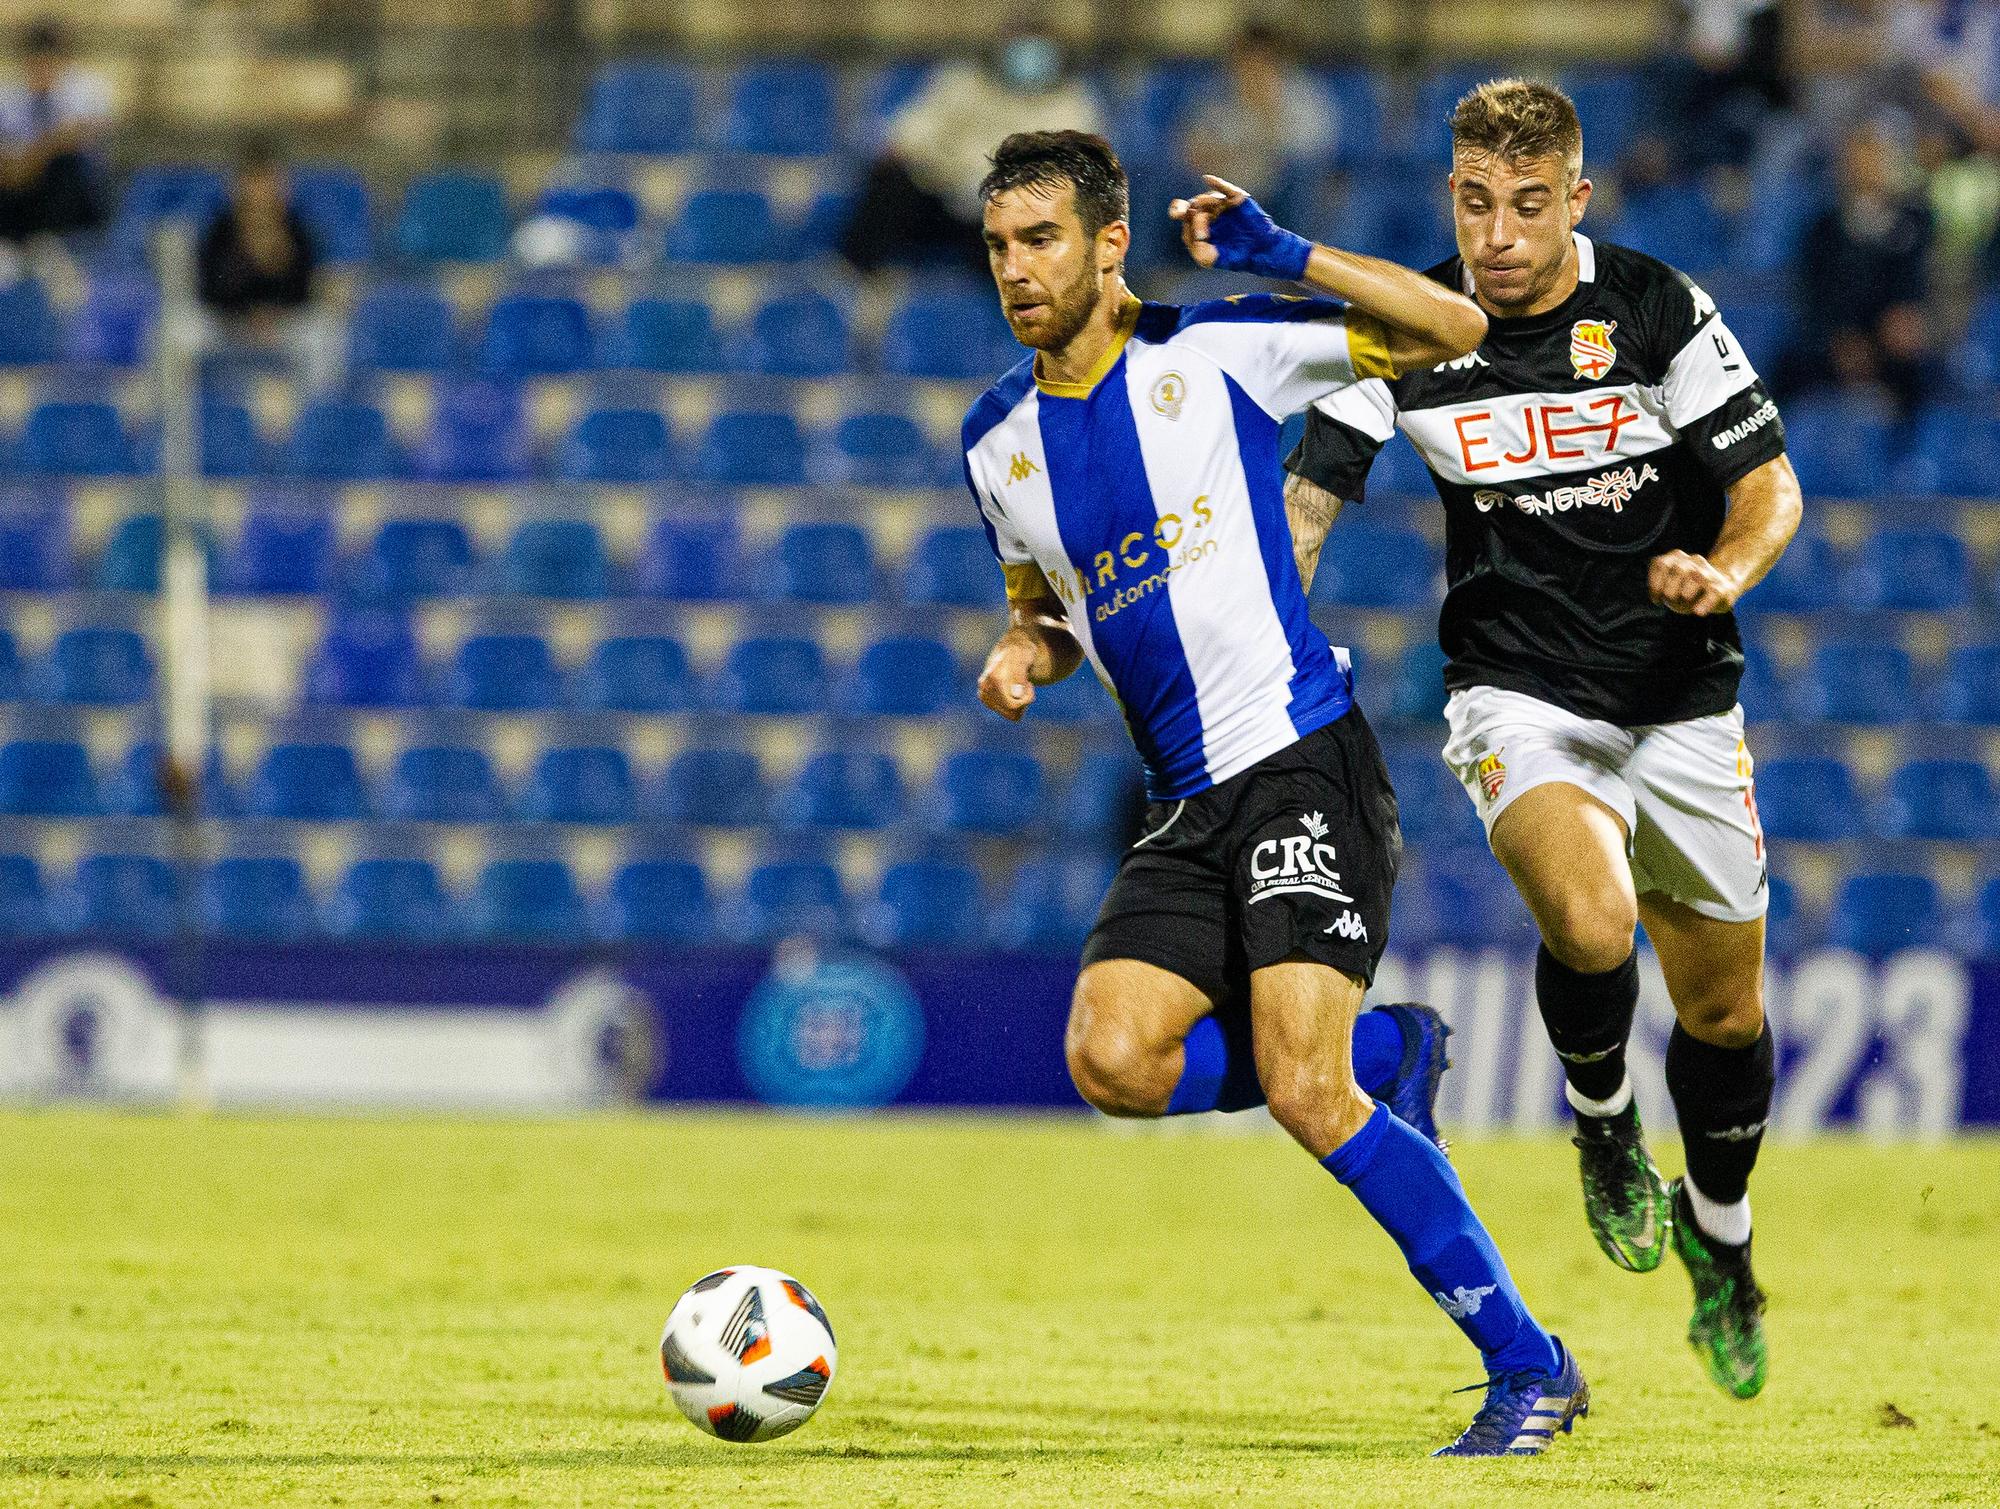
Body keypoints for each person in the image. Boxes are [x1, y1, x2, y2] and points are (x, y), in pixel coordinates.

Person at [962, 129, 1587, 1457]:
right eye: (1001, 245)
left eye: (1043, 241)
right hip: (1183, 803)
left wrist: (1283, 253)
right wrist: (1028, 648)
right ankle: (1387, 1057)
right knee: (1112, 1058)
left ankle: (1530, 1366)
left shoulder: (1220, 348)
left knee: (1304, 1096)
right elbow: (1047, 593)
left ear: (1109, 241)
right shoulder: (994, 443)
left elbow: (1458, 322)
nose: (1017, 270)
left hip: (1303, 760)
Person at [1283, 80, 1801, 1401]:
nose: (1498, 235)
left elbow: (1767, 486)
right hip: (1517, 690)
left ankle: (1725, 1246)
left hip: (1683, 694)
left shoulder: (1654, 307)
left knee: (1726, 1009)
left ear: (1576, 198)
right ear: (1450, 194)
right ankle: (1603, 1125)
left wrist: (1726, 572)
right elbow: (1313, 491)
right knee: (1590, 917)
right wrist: (1275, 619)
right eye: (1473, 204)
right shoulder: (1407, 322)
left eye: (1526, 206)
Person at [840, 25, 1100, 277]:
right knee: (891, 183)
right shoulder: (964, 84)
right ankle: (856, 282)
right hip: (945, 198)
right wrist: (906, 151)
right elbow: (914, 132)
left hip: (1007, 212)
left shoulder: (1071, 102)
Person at [1775, 122, 1934, 414]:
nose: (1865, 167)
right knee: (1785, 371)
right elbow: (1811, 291)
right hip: (1834, 342)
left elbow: (1920, 282)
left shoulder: (1917, 218)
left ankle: (1912, 454)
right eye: (1858, 158)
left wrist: (1909, 317)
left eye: (1875, 157)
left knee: (1924, 375)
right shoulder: (1823, 226)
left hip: (1890, 341)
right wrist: (1838, 338)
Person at [192, 138, 342, 392]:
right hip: (228, 325)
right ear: (238, 185)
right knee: (180, 329)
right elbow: (208, 289)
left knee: (324, 333)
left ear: (282, 185)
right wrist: (243, 314)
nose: (261, 191)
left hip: (283, 326)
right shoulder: (220, 228)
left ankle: (315, 413)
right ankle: (175, 419)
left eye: (269, 182)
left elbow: (305, 290)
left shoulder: (297, 228)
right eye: (253, 182)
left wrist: (275, 312)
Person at [1178, 23, 1336, 227]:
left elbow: (1314, 157)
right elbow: (1192, 151)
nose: (1253, 68)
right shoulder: (1217, 99)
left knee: (1298, 184)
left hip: (1283, 198)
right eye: (1246, 60)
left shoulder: (1303, 97)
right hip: (1227, 196)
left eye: (1262, 60)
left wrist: (1268, 116)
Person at [0, 18, 113, 245]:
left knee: (65, 164)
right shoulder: (12, 97)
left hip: (76, 195)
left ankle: (54, 240)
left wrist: (31, 160)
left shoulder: (86, 90)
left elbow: (69, 138)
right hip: (21, 185)